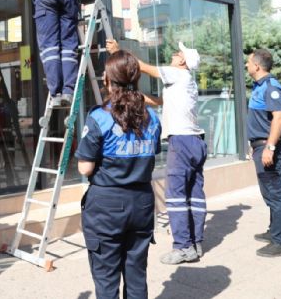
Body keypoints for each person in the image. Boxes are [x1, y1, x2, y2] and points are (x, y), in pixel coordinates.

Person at [107, 39, 207, 264]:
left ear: (182, 60)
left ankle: (183, 248)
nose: (172, 55)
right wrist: (134, 98)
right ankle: (196, 242)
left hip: (181, 142)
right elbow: (161, 101)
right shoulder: (186, 83)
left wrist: (117, 52)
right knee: (195, 195)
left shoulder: (177, 73)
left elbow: (142, 67)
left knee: (176, 197)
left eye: (176, 53)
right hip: (196, 142)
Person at [76, 50, 162, 299]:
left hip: (107, 207)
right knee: (136, 276)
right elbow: (151, 153)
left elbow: (85, 168)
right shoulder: (152, 117)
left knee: (106, 280)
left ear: (107, 80)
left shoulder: (99, 117)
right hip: (142, 203)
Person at [246, 48, 281, 257]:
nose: (246, 65)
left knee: (274, 194)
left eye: (248, 62)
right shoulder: (260, 87)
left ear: (256, 65)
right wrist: (254, 145)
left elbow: (279, 118)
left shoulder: (271, 87)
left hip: (269, 147)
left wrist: (269, 147)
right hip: (261, 146)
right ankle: (275, 231)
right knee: (270, 193)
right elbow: (261, 120)